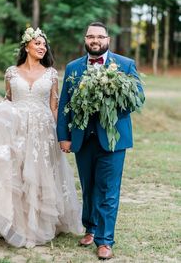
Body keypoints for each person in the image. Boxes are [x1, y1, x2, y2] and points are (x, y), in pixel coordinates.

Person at [0, 27, 82, 248]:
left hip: (43, 131)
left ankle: (41, 222)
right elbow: (8, 100)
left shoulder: (52, 73)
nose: (42, 47)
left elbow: (54, 107)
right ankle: (15, 222)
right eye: (37, 43)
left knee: (41, 174)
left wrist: (62, 134)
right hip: (16, 129)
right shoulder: (11, 72)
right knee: (17, 173)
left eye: (44, 44)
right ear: (27, 47)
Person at [57, 22, 145, 260]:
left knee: (108, 190)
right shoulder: (73, 67)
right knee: (88, 187)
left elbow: (138, 99)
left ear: (108, 39)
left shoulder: (124, 65)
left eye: (99, 37)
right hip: (82, 138)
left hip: (113, 141)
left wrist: (113, 95)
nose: (94, 40)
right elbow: (64, 103)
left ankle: (105, 240)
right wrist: (63, 136)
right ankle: (90, 228)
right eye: (90, 36)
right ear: (85, 39)